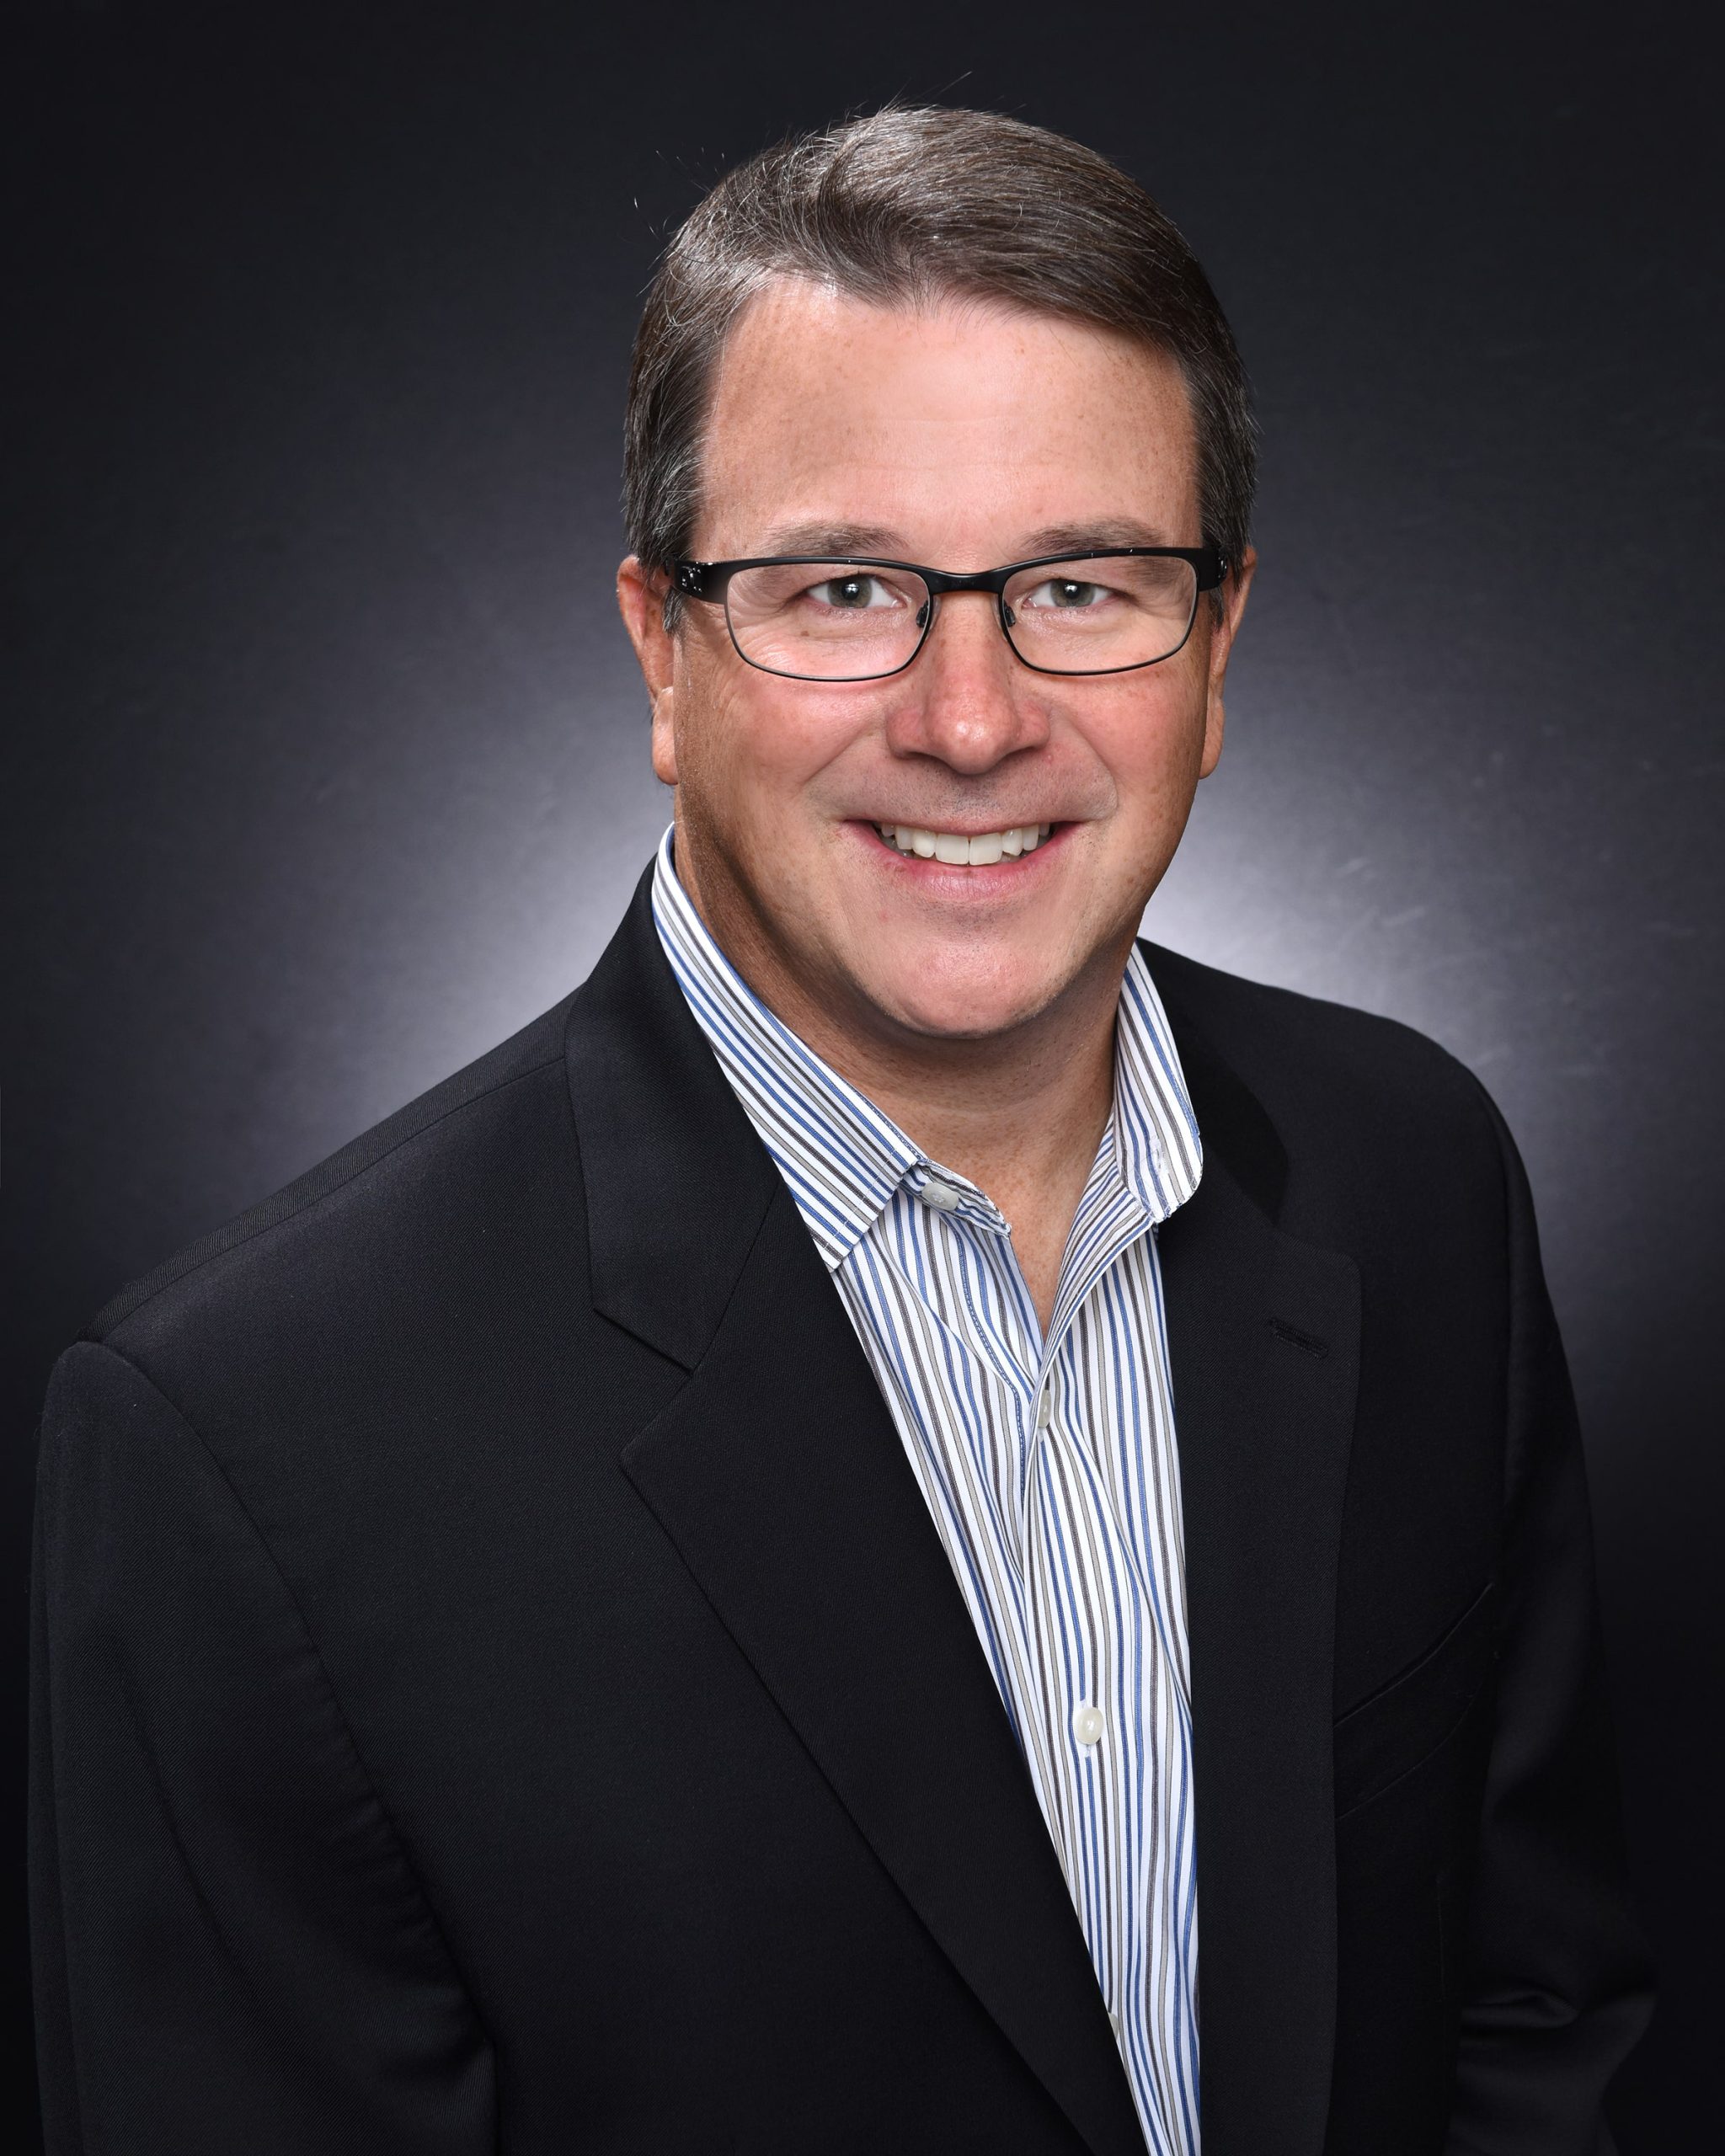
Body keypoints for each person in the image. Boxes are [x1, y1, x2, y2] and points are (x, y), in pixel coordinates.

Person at [29, 104, 1651, 2156]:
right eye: (845, 586)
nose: (970, 716)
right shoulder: (242, 1437)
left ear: (1217, 648)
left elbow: (1534, 2012)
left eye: (1078, 582)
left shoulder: (1406, 1168)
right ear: (663, 649)